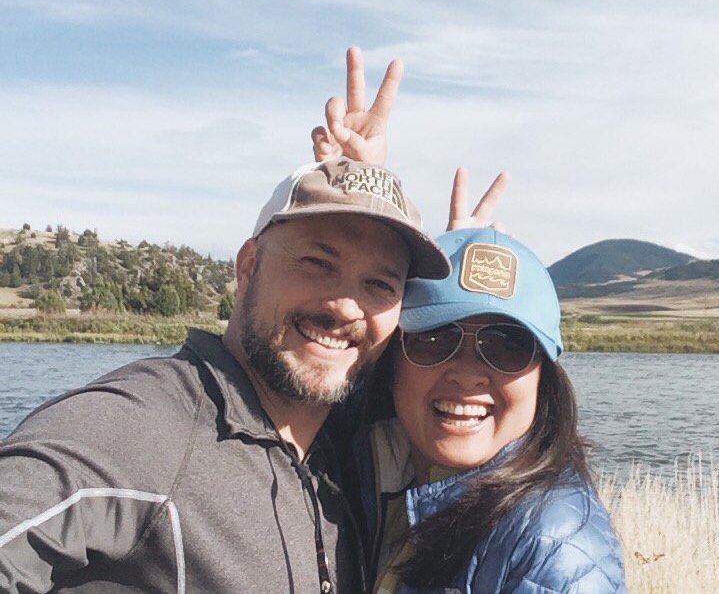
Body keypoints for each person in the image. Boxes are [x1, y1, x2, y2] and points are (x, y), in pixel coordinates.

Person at [0, 49, 450, 593]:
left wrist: (365, 182)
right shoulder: (147, 422)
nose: (346, 307)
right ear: (248, 266)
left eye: (380, 284)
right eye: (317, 262)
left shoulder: (335, 447)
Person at [352, 176, 628, 593]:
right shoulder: (374, 467)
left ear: (544, 377)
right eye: (434, 338)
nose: (467, 374)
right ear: (392, 362)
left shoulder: (554, 548)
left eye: (506, 346)